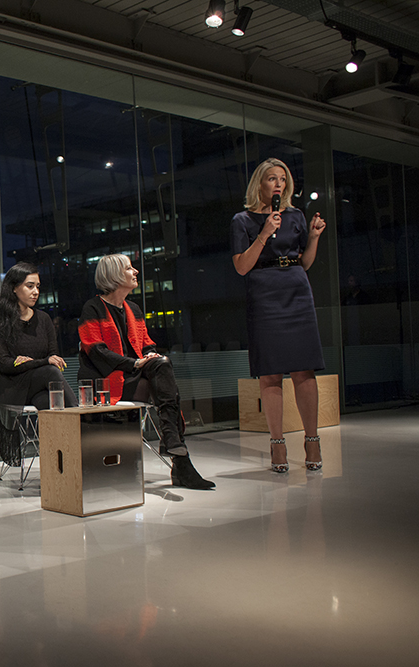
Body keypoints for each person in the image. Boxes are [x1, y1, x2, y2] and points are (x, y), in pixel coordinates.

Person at [78, 254, 215, 490]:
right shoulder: (92, 308)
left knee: (161, 363)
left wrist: (150, 355)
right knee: (162, 380)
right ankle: (178, 456)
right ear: (113, 275)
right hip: (106, 380)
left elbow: (146, 344)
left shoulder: (133, 308)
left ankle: (173, 443)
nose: (136, 272)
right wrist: (133, 364)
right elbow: (95, 350)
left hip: (136, 375)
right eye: (130, 268)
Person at [231, 157, 326, 473]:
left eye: (282, 179)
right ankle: (277, 445)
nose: (278, 184)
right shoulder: (242, 220)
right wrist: (264, 232)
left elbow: (306, 262)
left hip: (296, 289)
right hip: (264, 291)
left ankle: (312, 439)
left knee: (304, 370)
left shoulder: (296, 215)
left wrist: (313, 238)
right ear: (260, 183)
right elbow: (242, 267)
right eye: (272, 178)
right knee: (270, 373)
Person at [0, 262, 76, 410]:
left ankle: (73, 424)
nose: (36, 292)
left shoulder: (44, 319)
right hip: (13, 386)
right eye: (30, 286)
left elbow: (53, 356)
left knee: (47, 402)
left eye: (38, 286)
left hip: (38, 386)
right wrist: (44, 362)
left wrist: (32, 362)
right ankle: (81, 416)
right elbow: (5, 364)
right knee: (50, 372)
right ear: (14, 288)